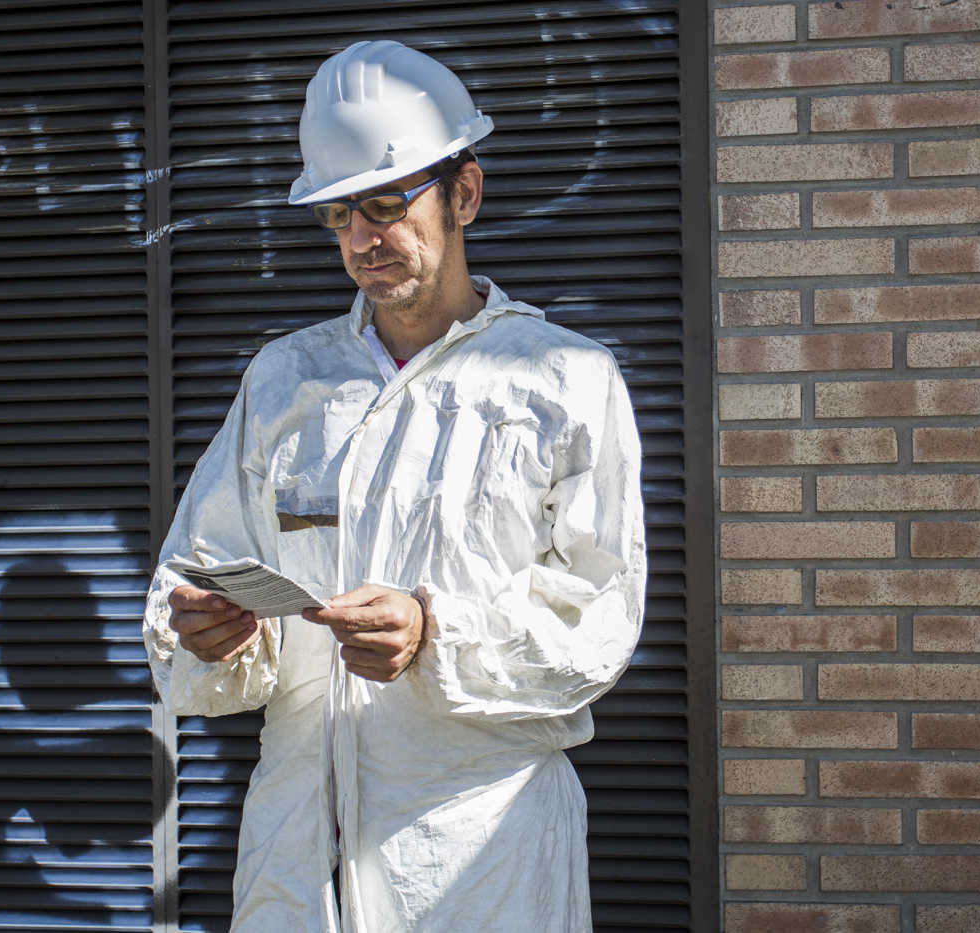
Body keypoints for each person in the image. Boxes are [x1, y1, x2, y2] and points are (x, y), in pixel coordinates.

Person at [142, 39, 646, 932]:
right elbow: (194, 569)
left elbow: (601, 612)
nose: (362, 240)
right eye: (339, 216)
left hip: (479, 856)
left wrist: (434, 631)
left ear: (466, 194)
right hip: (298, 857)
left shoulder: (565, 377)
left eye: (384, 204)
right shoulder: (284, 380)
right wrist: (211, 631)